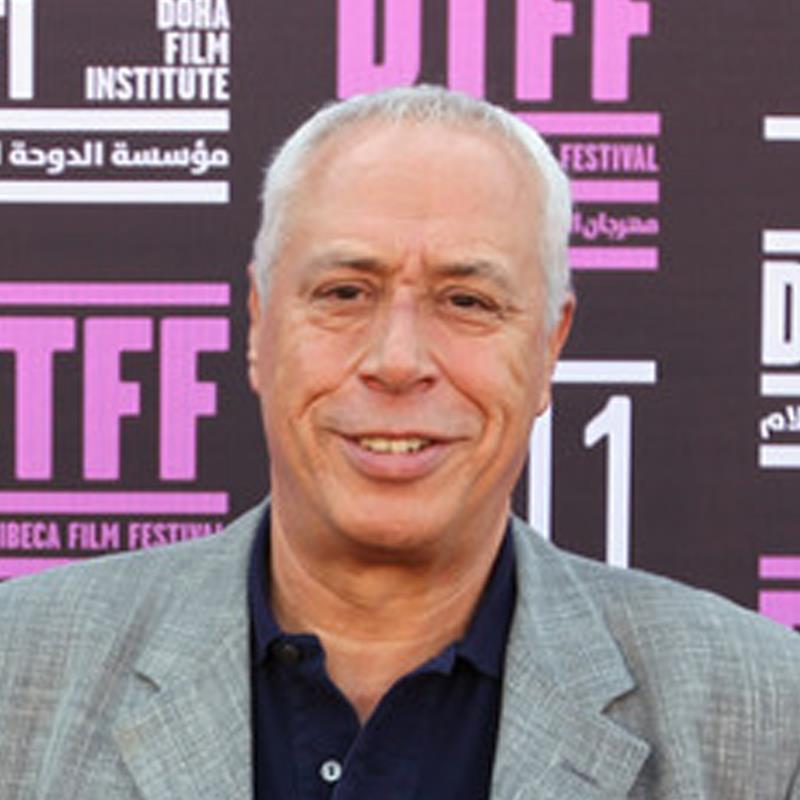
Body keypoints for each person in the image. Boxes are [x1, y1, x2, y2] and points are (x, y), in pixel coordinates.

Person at [1, 85, 799, 800]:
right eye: (346, 292)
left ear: (549, 348)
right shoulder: (17, 669)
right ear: (259, 327)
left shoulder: (765, 714)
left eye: (468, 301)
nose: (397, 360)